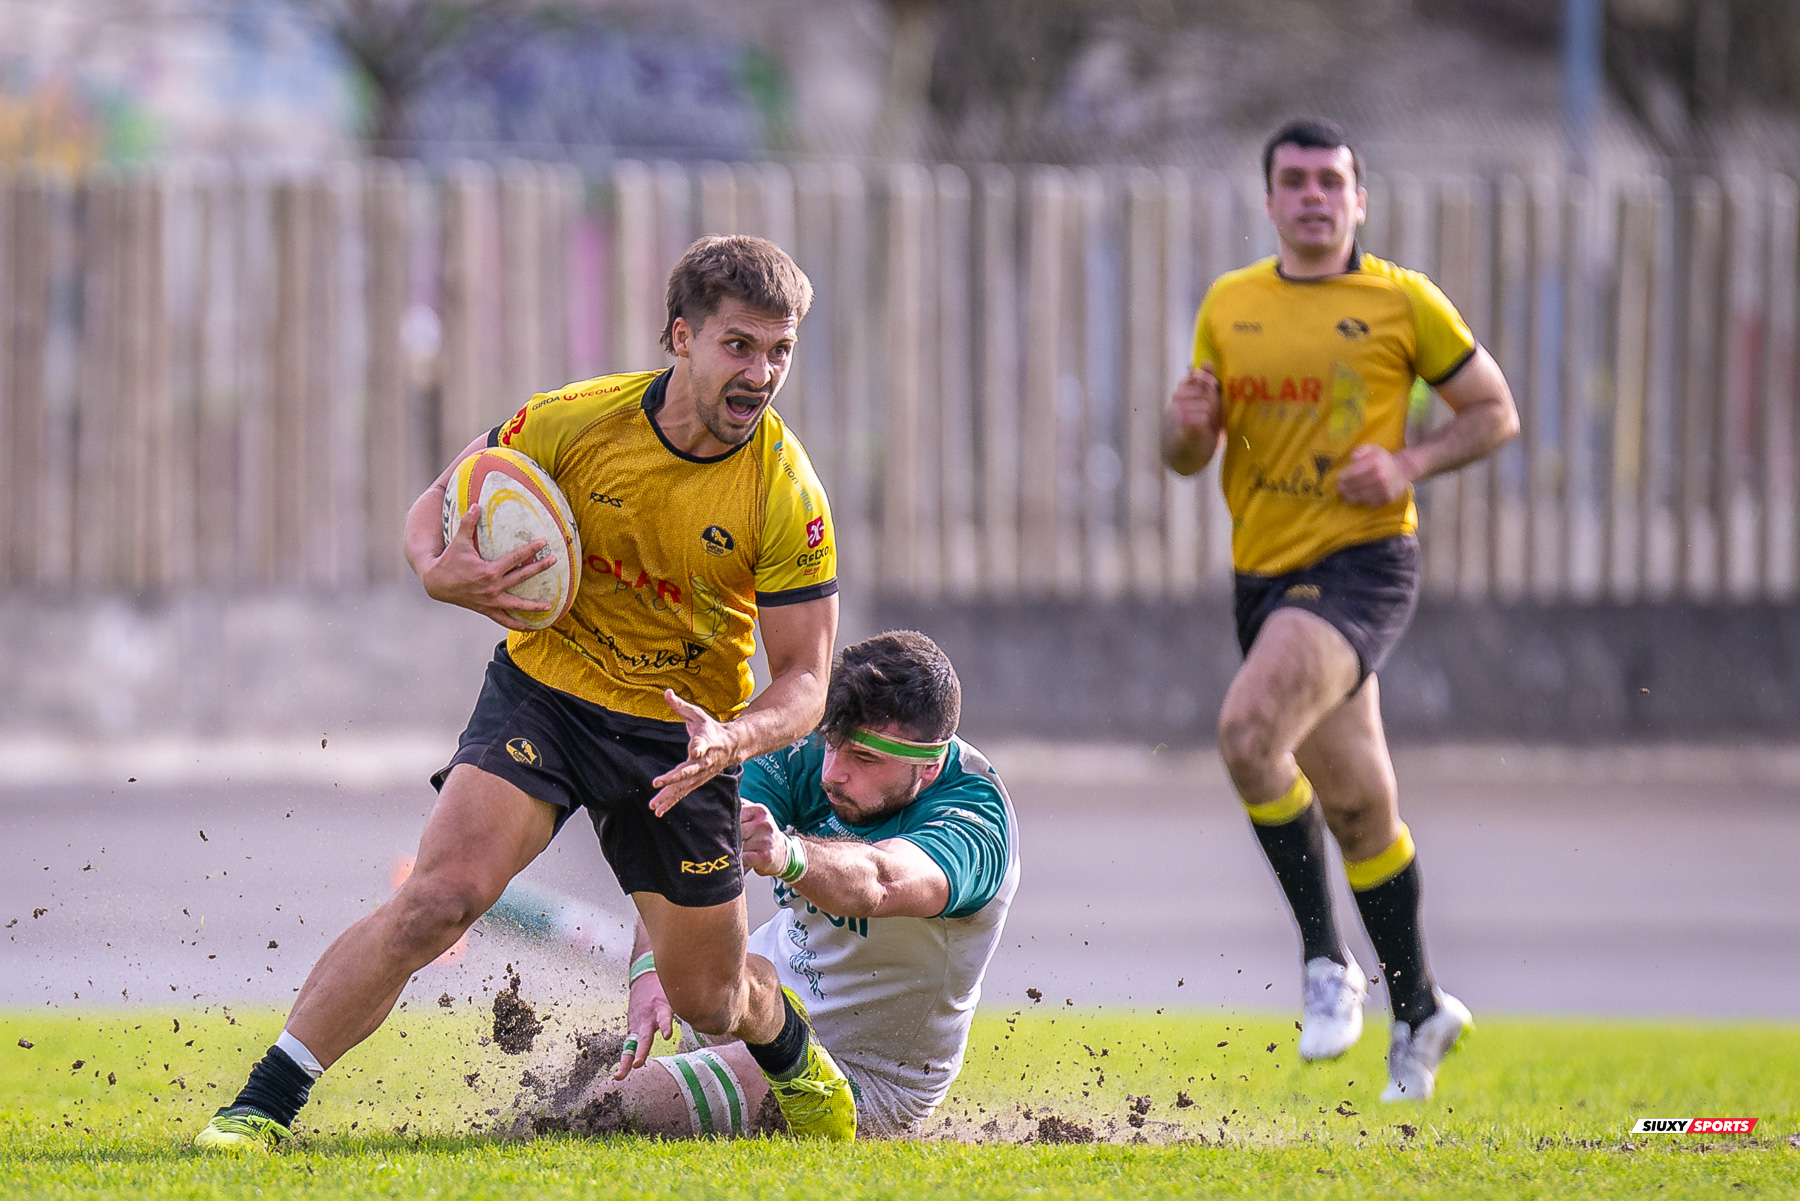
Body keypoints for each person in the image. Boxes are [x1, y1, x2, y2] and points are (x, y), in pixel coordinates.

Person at [197, 234, 857, 1149]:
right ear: (681, 336)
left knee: (710, 995)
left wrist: (733, 741)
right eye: (739, 345)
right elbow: (436, 504)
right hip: (546, 696)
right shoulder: (575, 421)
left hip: (683, 737)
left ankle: (789, 1046)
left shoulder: (786, 493)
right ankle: (259, 1108)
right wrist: (438, 571)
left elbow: (807, 679)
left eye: (780, 350)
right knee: (439, 897)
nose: (762, 372)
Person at [1162, 119, 1519, 1102]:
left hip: (1364, 564)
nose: (1315, 196)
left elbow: (1494, 410)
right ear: (1271, 200)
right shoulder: (1230, 305)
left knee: (1246, 731)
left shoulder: (1403, 301)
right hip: (1264, 577)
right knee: (1361, 807)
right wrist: (1184, 430)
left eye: (1333, 181)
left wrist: (1407, 461)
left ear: (1358, 200)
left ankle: (1327, 962)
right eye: (1296, 182)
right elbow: (1187, 452)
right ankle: (1422, 1008)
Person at [549, 631, 1019, 1139]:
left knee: (599, 1114)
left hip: (860, 1074)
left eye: (864, 759)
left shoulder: (975, 816)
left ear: (928, 765)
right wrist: (647, 972)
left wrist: (787, 853)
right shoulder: (811, 755)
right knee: (604, 1089)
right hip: (740, 1006)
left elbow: (881, 880)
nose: (832, 774)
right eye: (834, 745)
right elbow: (692, 858)